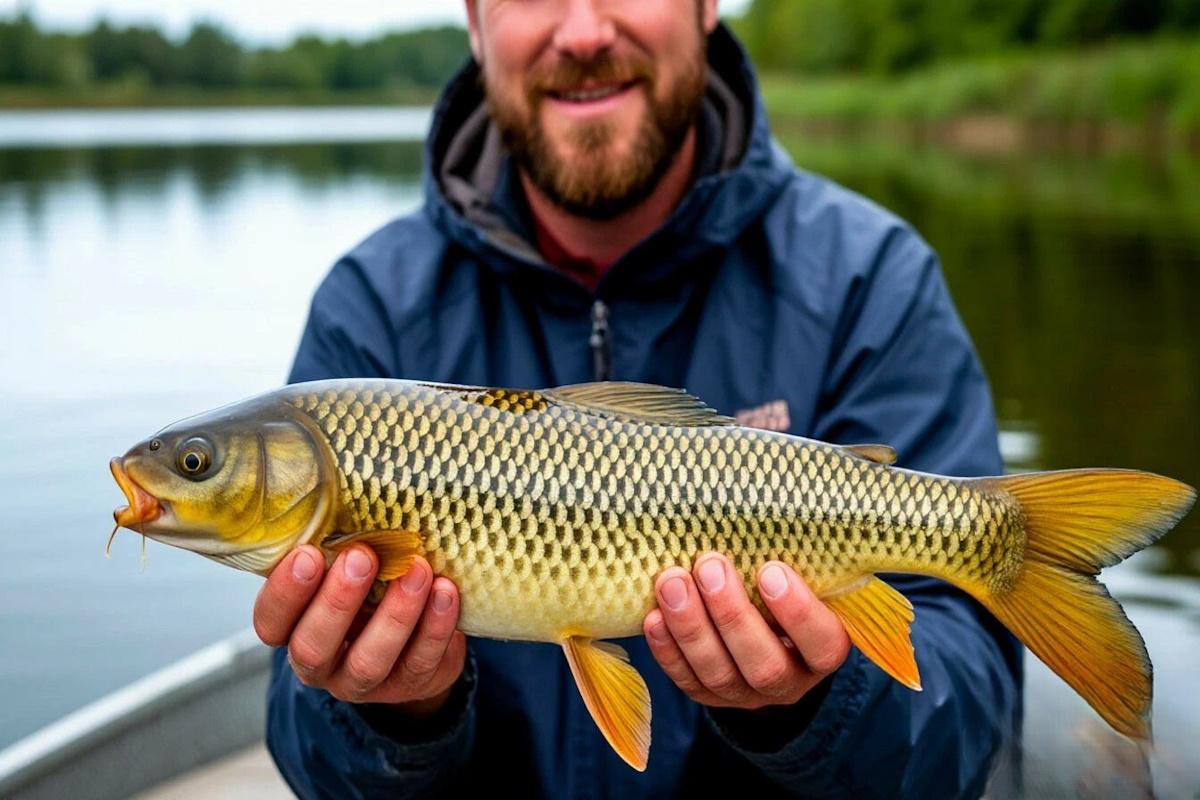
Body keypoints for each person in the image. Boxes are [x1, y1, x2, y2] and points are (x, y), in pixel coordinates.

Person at [253, 1, 1022, 797]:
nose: (584, 32)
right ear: (476, 22)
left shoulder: (873, 284)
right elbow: (308, 751)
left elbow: (963, 734)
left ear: (707, 7)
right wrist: (395, 715)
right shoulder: (369, 312)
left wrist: (814, 704)